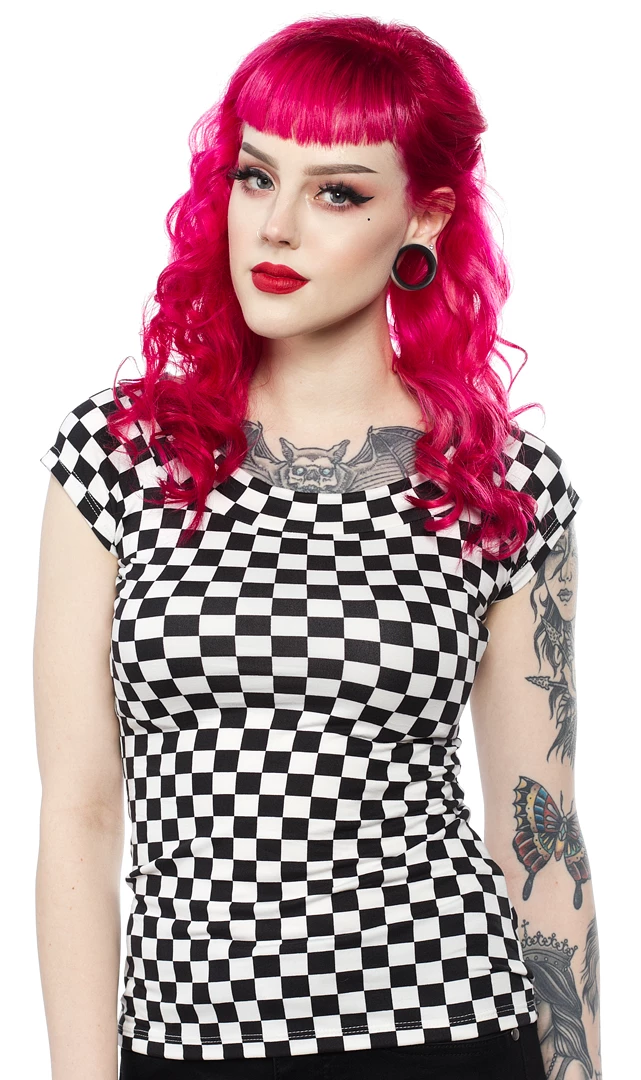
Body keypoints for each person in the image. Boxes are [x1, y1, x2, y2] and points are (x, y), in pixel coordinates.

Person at [34, 14, 602, 1080]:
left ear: (422, 216)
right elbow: (78, 812)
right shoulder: (123, 456)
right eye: (256, 177)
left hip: (446, 1030)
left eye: (336, 193)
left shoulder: (499, 484)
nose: (277, 227)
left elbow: (541, 832)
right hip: (186, 1042)